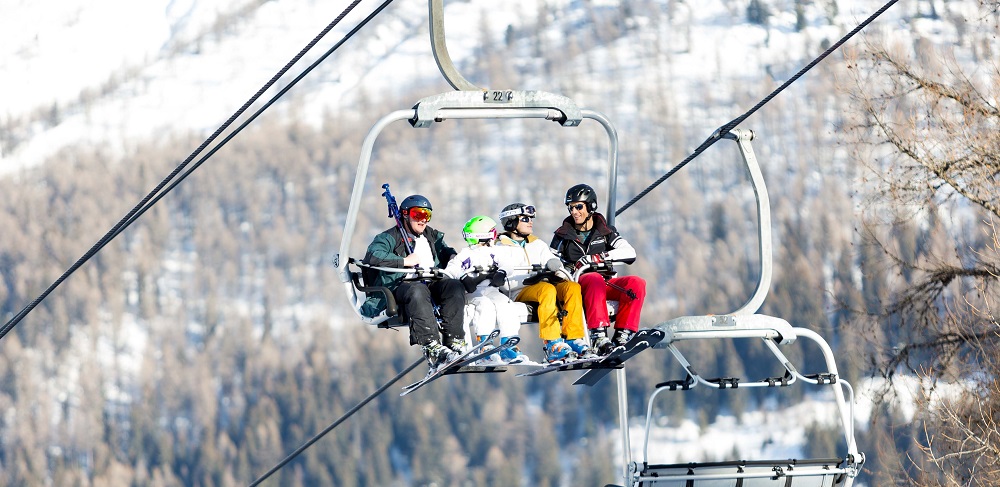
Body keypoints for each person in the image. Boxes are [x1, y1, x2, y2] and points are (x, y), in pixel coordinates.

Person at [361, 194, 467, 371]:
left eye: (427, 215)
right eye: (418, 215)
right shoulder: (389, 237)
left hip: (430, 281)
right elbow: (373, 256)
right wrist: (403, 261)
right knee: (417, 290)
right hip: (400, 285)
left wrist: (453, 257)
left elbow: (445, 250)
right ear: (405, 214)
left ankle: (454, 341)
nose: (423, 220)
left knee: (454, 287)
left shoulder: (431, 235)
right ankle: (431, 346)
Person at [550, 184, 647, 356]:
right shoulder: (562, 235)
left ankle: (623, 335)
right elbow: (550, 262)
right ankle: (598, 336)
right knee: (593, 278)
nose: (574, 212)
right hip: (580, 285)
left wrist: (597, 258)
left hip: (606, 283)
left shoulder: (604, 231)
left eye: (579, 207)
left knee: (636, 284)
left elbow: (629, 253)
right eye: (571, 208)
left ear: (591, 207)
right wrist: (566, 270)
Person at [497, 202, 593, 362]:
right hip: (519, 291)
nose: (530, 222)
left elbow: (553, 262)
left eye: (531, 218)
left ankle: (573, 338)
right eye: (525, 219)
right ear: (511, 222)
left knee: (572, 287)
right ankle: (553, 343)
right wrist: (534, 277)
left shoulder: (537, 244)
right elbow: (506, 283)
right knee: (546, 289)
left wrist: (555, 269)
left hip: (545, 286)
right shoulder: (500, 248)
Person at [444, 215, 530, 364]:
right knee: (485, 306)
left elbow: (507, 263)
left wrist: (502, 272)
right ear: (483, 235)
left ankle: (508, 342)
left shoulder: (495, 251)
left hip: (491, 289)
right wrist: (464, 277)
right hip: (473, 292)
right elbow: (451, 269)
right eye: (492, 232)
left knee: (506, 305)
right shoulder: (466, 254)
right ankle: (485, 344)